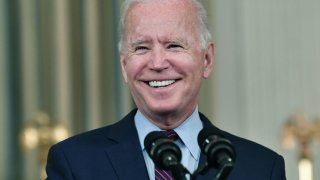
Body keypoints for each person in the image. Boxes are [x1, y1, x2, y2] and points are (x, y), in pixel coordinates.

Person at [46, 0, 286, 179]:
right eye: (141, 48)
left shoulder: (262, 168)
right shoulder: (74, 163)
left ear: (207, 59)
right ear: (124, 65)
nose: (158, 63)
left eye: (173, 45)